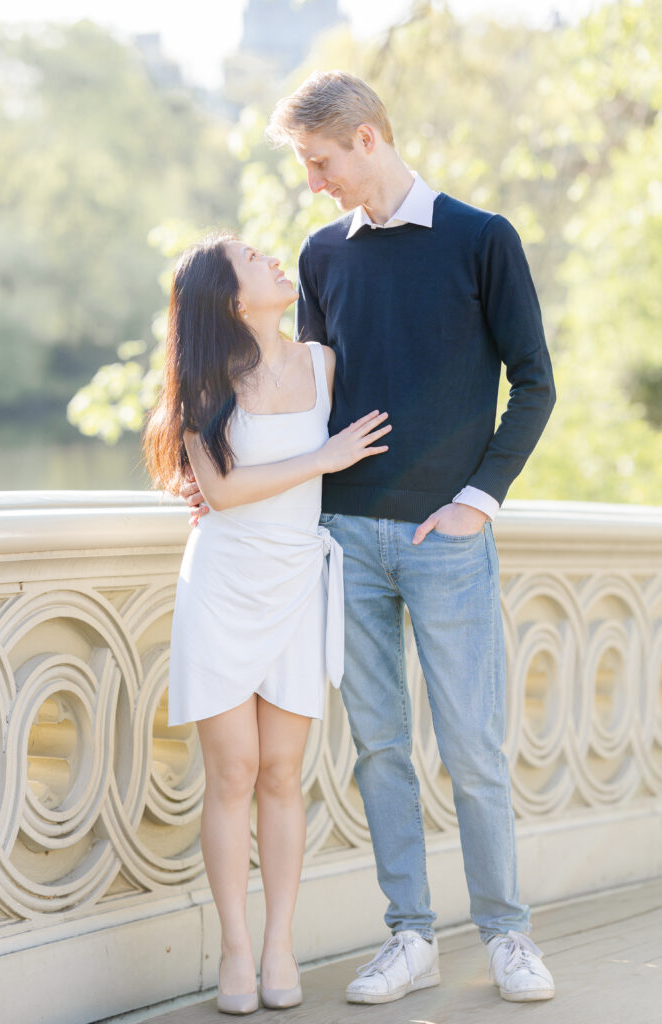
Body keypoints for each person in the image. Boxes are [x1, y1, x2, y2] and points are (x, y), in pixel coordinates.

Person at [182, 70, 557, 1006]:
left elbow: (535, 382)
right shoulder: (320, 256)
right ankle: (409, 934)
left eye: (319, 162)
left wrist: (481, 496)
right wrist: (211, 475)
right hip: (338, 544)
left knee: (471, 747)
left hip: (446, 538)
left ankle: (507, 933)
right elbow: (291, 389)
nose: (314, 183)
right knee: (379, 749)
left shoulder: (482, 240)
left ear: (367, 139)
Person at [144, 232, 390, 1015]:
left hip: (296, 582)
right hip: (221, 583)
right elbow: (219, 492)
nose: (275, 261)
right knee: (233, 774)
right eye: (256, 259)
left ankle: (280, 943)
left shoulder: (322, 363)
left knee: (283, 774)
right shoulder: (201, 384)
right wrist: (324, 459)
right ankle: (236, 955)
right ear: (230, 297)